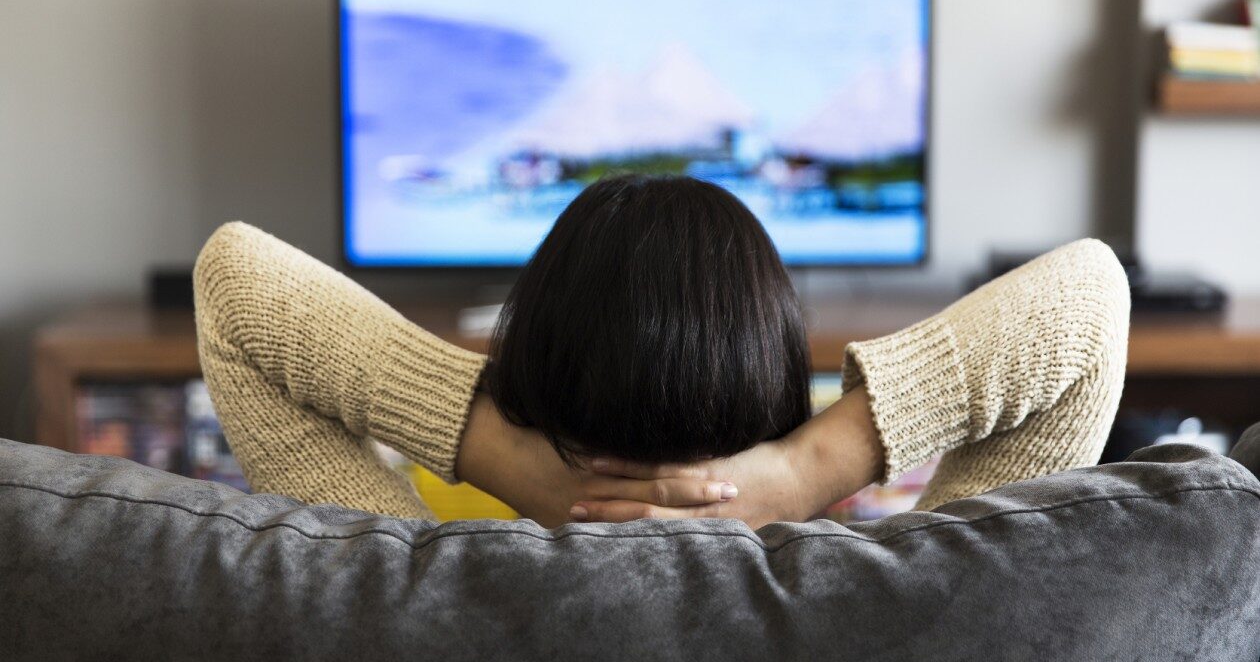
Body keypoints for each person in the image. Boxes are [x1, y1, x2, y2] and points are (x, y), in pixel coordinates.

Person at [193, 175, 1130, 529]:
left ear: (532, 373)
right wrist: (807, 471)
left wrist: (510, 463)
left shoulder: (406, 599)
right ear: (775, 391)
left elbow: (235, 283)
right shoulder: (914, 605)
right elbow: (1089, 295)